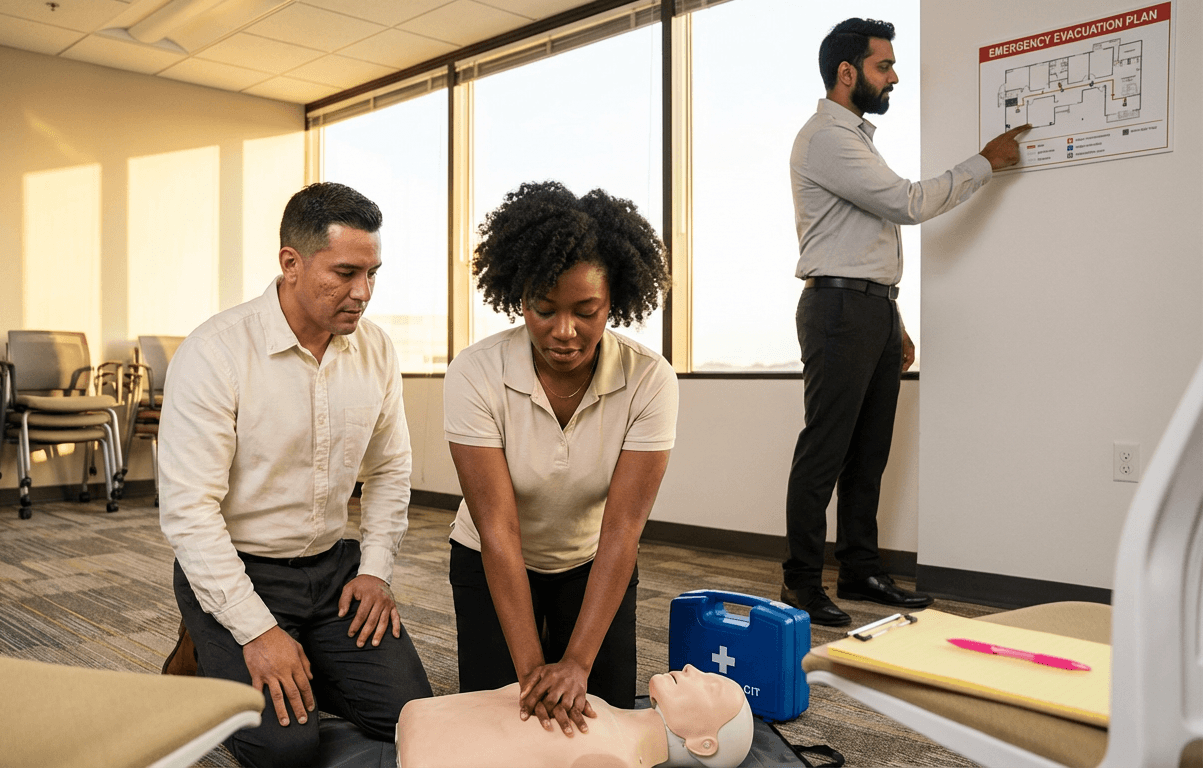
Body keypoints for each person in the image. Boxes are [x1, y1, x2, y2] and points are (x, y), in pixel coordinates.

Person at [158, 182, 432, 767]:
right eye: (346, 272)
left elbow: (389, 469)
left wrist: (377, 571)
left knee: (413, 716)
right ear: (290, 263)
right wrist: (256, 632)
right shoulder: (216, 354)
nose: (363, 293)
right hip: (242, 568)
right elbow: (189, 512)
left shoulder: (376, 351)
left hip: (334, 571)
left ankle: (297, 652)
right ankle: (213, 646)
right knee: (286, 751)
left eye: (373, 273)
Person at [782, 18, 1031, 627]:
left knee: (869, 453)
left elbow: (870, 233)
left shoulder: (858, 139)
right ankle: (802, 583)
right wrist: (984, 163)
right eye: (883, 66)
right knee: (825, 451)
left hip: (868, 306)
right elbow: (908, 203)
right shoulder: (825, 138)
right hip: (839, 307)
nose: (893, 77)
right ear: (847, 74)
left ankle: (861, 570)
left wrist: (891, 317)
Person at [444, 181, 677, 737]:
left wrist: (575, 665)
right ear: (519, 299)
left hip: (592, 562)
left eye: (586, 311)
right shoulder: (476, 373)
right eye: (543, 310)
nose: (564, 332)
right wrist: (531, 674)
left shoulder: (649, 379)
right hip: (490, 558)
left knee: (603, 719)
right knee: (502, 721)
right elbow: (497, 528)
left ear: (613, 303)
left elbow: (624, 528)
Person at [396, 665, 753, 768]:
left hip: (424, 748)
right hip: (426, 723)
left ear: (703, 744)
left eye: (711, 687)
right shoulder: (614, 718)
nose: (693, 668)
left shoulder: (618, 759)